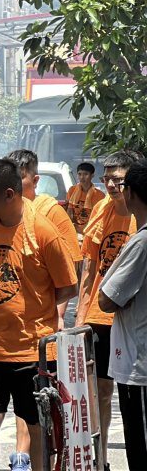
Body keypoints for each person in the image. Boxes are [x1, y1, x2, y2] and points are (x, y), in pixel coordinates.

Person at [0, 159, 77, 471]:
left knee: (36, 425)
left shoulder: (42, 231)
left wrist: (37, 310)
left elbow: (68, 286)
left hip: (31, 351)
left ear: (10, 194)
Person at [3, 149, 83, 470]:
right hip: (16, 320)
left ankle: (44, 457)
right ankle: (22, 455)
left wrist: (61, 314)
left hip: (49, 319)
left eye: (20, 179)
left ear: (34, 180)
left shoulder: (53, 213)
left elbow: (70, 273)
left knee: (47, 396)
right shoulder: (5, 213)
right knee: (23, 393)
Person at [74, 149, 143, 470]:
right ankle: (100, 460)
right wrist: (80, 313)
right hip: (99, 315)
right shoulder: (100, 209)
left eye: (118, 180)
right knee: (98, 390)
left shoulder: (138, 216)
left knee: (132, 392)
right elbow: (90, 264)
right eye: (108, 178)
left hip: (130, 316)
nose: (112, 186)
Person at [98, 158, 147, 466]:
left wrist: (117, 297)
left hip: (139, 366)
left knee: (141, 451)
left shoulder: (141, 243)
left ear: (130, 193)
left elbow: (106, 299)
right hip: (136, 361)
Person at [66, 162, 105, 235]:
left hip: (90, 232)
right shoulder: (72, 190)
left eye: (85, 174)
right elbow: (69, 211)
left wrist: (87, 232)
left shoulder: (100, 195)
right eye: (79, 174)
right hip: (74, 231)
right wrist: (70, 229)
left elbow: (98, 218)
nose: (82, 177)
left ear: (92, 175)